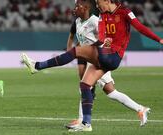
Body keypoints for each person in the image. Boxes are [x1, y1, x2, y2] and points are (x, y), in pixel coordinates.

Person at [21, 0, 163, 132]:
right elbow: (102, 37)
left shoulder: (124, 12)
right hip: (105, 54)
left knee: (77, 51)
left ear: (107, 0)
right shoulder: (102, 15)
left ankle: (37, 66)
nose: (97, 5)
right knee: (85, 85)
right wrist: (95, 46)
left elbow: (140, 27)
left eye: (98, 2)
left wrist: (159, 39)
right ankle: (86, 124)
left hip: (113, 55)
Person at [65, 0, 151, 130]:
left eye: (78, 4)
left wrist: (105, 51)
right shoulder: (78, 22)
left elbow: (104, 38)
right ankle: (141, 109)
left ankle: (82, 121)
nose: (76, 7)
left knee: (85, 87)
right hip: (94, 57)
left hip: (98, 58)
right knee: (110, 92)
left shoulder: (95, 20)